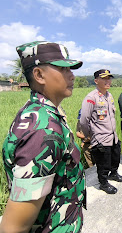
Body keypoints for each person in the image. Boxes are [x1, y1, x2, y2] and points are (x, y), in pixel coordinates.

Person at [0, 41, 86, 232]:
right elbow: (14, 227)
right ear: (39, 75)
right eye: (64, 69)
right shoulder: (42, 130)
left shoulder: (45, 114)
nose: (72, 75)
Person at [80, 69, 122, 195]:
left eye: (109, 78)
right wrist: (89, 135)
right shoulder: (91, 98)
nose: (108, 81)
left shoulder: (109, 96)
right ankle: (103, 183)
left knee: (115, 158)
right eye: (104, 78)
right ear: (96, 81)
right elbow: (84, 120)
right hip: (100, 139)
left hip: (113, 137)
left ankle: (114, 174)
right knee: (103, 163)